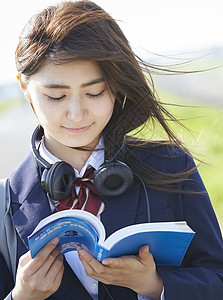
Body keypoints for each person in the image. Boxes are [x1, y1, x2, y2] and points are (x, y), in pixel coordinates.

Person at [0, 1, 222, 299]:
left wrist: (155, 285)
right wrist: (22, 296)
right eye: (56, 96)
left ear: (115, 87)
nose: (77, 114)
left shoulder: (171, 165)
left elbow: (217, 278)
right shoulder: (6, 201)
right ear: (25, 89)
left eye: (95, 92)